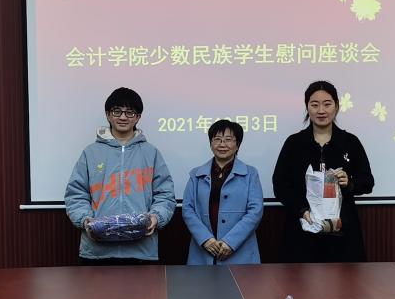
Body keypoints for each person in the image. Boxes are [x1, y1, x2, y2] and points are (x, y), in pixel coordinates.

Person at [64, 87, 176, 264]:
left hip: (141, 250)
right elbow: (76, 194)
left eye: (130, 112)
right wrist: (86, 221)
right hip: (97, 251)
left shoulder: (151, 153)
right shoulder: (90, 153)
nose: (123, 117)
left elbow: (165, 194)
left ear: (138, 117)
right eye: (117, 111)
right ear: (108, 115)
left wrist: (156, 217)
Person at [272, 80, 375, 263]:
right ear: (307, 107)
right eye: (314, 104)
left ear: (337, 106)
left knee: (345, 281)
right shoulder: (294, 143)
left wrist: (350, 182)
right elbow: (280, 185)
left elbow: (367, 182)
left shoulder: (350, 142)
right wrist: (302, 210)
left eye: (327, 104)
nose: (321, 110)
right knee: (300, 280)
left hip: (342, 233)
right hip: (302, 232)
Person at [182, 119, 263, 265]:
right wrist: (205, 239)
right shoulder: (196, 174)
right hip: (203, 251)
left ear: (237, 144)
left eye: (228, 140)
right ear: (211, 144)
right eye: (217, 139)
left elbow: (255, 211)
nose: (222, 144)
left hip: (240, 253)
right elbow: (188, 209)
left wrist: (230, 242)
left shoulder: (251, 174)